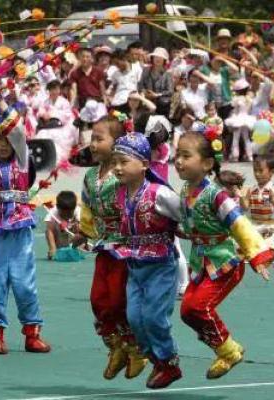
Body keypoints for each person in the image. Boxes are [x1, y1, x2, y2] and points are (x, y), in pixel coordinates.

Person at [174, 126, 274, 380]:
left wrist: (257, 256)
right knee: (186, 311)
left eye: (186, 156)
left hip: (225, 262)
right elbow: (188, 222)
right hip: (203, 260)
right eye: (177, 155)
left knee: (197, 306)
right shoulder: (186, 191)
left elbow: (239, 223)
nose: (178, 161)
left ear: (207, 163)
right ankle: (227, 350)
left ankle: (229, 352)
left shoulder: (217, 195)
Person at [0, 101, 50, 355]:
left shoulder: (23, 159)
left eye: (7, 140)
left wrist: (2, 100)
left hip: (21, 229)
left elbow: (16, 131)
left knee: (24, 283)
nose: (2, 145)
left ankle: (32, 333)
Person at [72, 115, 147, 379]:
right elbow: (89, 209)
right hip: (104, 246)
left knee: (117, 300)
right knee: (97, 299)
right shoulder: (91, 176)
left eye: (99, 138)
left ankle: (135, 349)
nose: (92, 144)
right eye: (91, 138)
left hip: (125, 247)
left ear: (116, 144)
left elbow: (143, 196)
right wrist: (83, 232)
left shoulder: (123, 173)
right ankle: (115, 347)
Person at [111, 132, 182, 389]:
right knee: (134, 317)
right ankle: (157, 361)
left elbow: (186, 216)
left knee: (153, 317)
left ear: (144, 164)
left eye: (124, 161)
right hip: (135, 266)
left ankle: (169, 362)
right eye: (115, 161)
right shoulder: (119, 194)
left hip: (161, 266)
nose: (118, 167)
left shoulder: (159, 193)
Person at [240, 156, 274, 257]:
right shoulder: (251, 190)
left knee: (267, 253)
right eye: (255, 171)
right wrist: (240, 197)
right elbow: (245, 207)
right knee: (245, 250)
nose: (257, 174)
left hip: (270, 226)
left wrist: (273, 200)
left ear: (272, 172)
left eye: (261, 171)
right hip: (254, 225)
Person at [44, 190, 81, 261]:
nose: (66, 216)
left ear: (75, 207)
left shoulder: (78, 211)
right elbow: (49, 231)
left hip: (74, 238)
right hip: (59, 239)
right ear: (57, 207)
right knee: (48, 229)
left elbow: (83, 229)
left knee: (79, 226)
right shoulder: (52, 213)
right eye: (64, 214)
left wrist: (74, 225)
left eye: (69, 214)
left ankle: (78, 248)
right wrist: (52, 248)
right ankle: (54, 249)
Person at [225, 79, 255, 162]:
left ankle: (235, 156)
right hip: (246, 118)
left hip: (238, 119)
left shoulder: (236, 99)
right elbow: (249, 110)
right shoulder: (249, 99)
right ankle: (250, 156)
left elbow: (235, 108)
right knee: (246, 138)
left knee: (236, 138)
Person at [138, 47, 173, 116]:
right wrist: (145, 92)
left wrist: (157, 95)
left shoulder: (167, 73)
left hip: (161, 102)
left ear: (164, 60)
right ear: (152, 58)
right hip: (147, 98)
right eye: (156, 57)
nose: (158, 59)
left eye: (160, 57)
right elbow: (140, 85)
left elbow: (170, 91)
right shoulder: (146, 70)